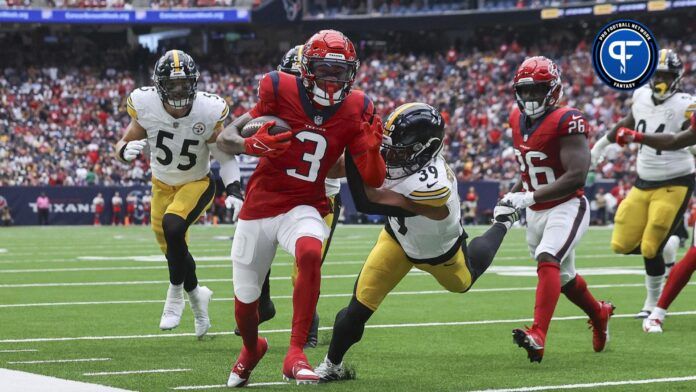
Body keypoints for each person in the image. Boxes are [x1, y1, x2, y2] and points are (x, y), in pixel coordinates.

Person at [217, 30, 385, 386]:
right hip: (260, 204)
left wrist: (371, 150)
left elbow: (372, 178)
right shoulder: (279, 89)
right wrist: (251, 144)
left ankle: (296, 352)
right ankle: (251, 348)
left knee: (310, 251)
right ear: (306, 69)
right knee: (246, 301)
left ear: (351, 74)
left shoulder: (356, 107)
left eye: (340, 72)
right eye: (325, 69)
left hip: (306, 202)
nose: (332, 79)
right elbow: (225, 139)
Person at [314, 103, 521, 381]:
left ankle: (502, 220)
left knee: (465, 281)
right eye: (389, 146)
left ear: (425, 149)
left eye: (399, 148)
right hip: (397, 240)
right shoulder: (402, 154)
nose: (390, 153)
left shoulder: (432, 186)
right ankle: (332, 365)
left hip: (440, 253)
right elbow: (339, 168)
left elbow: (368, 201)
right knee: (358, 308)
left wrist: (355, 148)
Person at [114, 50, 243, 339]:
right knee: (176, 252)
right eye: (171, 85)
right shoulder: (145, 105)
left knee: (174, 226)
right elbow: (122, 141)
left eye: (183, 84)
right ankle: (198, 299)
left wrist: (234, 188)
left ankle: (174, 296)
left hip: (196, 183)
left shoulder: (208, 110)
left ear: (194, 83)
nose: (177, 90)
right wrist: (124, 151)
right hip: (161, 186)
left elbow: (222, 154)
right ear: (159, 86)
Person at [231, 44, 344, 348]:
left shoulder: (338, 109)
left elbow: (338, 166)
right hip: (278, 191)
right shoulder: (278, 98)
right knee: (256, 244)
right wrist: (253, 142)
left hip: (319, 196)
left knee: (305, 264)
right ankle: (261, 302)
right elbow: (231, 136)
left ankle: (307, 326)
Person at [502, 56, 614, 363]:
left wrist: (527, 197)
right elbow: (529, 169)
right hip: (536, 210)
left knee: (547, 258)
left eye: (537, 91)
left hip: (567, 205)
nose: (530, 98)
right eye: (525, 91)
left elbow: (577, 175)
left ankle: (538, 334)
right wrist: (511, 196)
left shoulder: (567, 119)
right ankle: (599, 312)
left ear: (552, 90)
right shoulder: (516, 119)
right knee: (565, 279)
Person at [591, 49, 695, 319]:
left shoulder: (687, 103)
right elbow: (626, 123)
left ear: (677, 78)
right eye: (657, 74)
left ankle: (652, 303)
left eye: (666, 75)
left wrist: (637, 137)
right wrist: (600, 146)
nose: (661, 80)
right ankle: (668, 248)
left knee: (650, 246)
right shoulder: (640, 96)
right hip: (643, 180)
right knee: (621, 243)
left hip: (676, 180)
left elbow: (677, 140)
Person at [608, 109, 696, 333]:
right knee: (692, 256)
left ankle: (655, 310)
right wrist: (637, 137)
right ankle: (657, 313)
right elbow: (678, 140)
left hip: (672, 181)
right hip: (654, 180)